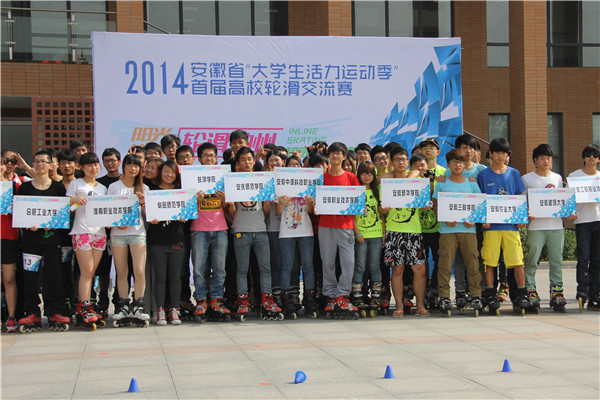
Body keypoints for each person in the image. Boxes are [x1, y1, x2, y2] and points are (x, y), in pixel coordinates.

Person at [17, 150, 70, 331]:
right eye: (37, 162)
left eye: (43, 162)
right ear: (33, 164)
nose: (40, 165)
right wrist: (28, 224)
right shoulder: (25, 188)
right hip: (30, 241)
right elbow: (21, 212)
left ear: (50, 165)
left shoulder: (58, 188)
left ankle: (57, 310)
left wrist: (52, 223)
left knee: (55, 274)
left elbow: (62, 213)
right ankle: (32, 311)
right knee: (30, 276)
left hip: (52, 240)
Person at [227, 147, 281, 320]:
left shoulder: (262, 180)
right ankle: (243, 300)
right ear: (238, 163)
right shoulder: (232, 181)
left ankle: (267, 300)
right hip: (241, 232)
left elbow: (265, 212)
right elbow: (232, 212)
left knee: (265, 268)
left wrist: (267, 202)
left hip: (261, 231)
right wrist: (230, 203)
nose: (247, 162)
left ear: (254, 161)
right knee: (242, 269)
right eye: (243, 159)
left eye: (249, 159)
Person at [476, 137, 528, 314]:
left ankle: (521, 293)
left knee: (517, 262)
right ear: (491, 154)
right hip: (491, 227)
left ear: (508, 155)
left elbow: (520, 198)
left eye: (504, 153)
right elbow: (480, 200)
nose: (500, 156)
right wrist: (483, 218)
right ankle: (491, 293)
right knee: (489, 262)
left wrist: (521, 217)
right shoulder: (483, 175)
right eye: (497, 152)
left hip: (511, 227)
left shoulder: (514, 174)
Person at [432, 149, 483, 316]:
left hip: (468, 229)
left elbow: (479, 206)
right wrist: (445, 219)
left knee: (472, 262)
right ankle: (444, 296)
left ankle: (476, 295)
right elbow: (436, 206)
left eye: (460, 162)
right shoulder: (442, 184)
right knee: (445, 264)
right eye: (454, 162)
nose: (457, 165)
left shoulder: (472, 184)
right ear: (448, 164)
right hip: (447, 230)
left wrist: (473, 219)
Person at [522, 144, 572, 313]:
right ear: (535, 161)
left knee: (556, 261)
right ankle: (531, 290)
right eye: (542, 158)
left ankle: (557, 292)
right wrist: (527, 213)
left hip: (555, 226)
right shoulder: (527, 179)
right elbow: (522, 202)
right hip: (536, 227)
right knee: (532, 260)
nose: (546, 161)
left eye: (549, 158)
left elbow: (562, 200)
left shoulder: (557, 178)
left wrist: (569, 210)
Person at [380, 147, 430, 317]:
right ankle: (399, 306)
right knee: (397, 270)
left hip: (414, 231)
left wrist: (425, 205)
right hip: (394, 231)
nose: (401, 162)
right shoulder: (387, 182)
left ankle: (420, 306)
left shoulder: (417, 180)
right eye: (397, 159)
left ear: (408, 162)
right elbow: (380, 210)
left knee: (420, 270)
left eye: (403, 159)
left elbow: (424, 200)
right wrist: (383, 209)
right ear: (392, 162)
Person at [318, 142, 360, 318]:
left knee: (348, 262)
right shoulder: (321, 178)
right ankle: (330, 295)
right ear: (328, 156)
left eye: (339, 153)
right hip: (326, 225)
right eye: (332, 153)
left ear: (344, 156)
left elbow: (358, 201)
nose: (335, 156)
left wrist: (360, 206)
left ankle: (342, 295)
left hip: (345, 226)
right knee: (327, 262)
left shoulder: (351, 177)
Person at [67, 152, 108, 329]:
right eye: (89, 165)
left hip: (99, 233)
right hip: (82, 231)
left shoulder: (103, 188)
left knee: (92, 272)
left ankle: (86, 306)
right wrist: (74, 200)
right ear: (81, 167)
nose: (94, 168)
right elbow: (65, 206)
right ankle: (84, 306)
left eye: (96, 164)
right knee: (86, 271)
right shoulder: (75, 184)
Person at [107, 154, 149, 326]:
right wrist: (117, 222)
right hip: (118, 234)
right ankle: (123, 305)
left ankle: (139, 305)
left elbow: (150, 214)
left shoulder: (144, 187)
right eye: (129, 165)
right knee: (122, 271)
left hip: (137, 233)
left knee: (139, 270)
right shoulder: (114, 187)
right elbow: (108, 210)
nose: (133, 168)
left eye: (136, 165)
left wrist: (143, 203)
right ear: (123, 166)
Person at [191, 142, 231, 321]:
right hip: (198, 229)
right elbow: (183, 207)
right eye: (205, 155)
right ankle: (201, 300)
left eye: (212, 155)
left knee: (220, 269)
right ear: (199, 159)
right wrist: (193, 199)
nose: (209, 158)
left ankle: (217, 299)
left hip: (220, 228)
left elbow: (229, 207)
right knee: (199, 269)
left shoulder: (223, 177)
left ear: (216, 158)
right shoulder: (191, 178)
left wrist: (225, 199)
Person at [276, 155, 318, 319]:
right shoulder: (281, 185)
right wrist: (281, 202)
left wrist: (308, 203)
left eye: (297, 164)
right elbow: (278, 213)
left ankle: (309, 299)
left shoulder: (308, 184)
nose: (294, 167)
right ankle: (287, 300)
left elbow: (311, 211)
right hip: (286, 232)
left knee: (308, 266)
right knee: (287, 266)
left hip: (306, 231)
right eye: (291, 164)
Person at [147, 160, 186, 325]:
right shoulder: (152, 191)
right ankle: (160, 310)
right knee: (160, 277)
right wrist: (151, 218)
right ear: (160, 172)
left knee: (175, 277)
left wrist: (185, 216)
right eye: (166, 171)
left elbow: (189, 212)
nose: (169, 175)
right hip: (157, 240)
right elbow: (147, 213)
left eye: (173, 172)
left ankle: (175, 309)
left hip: (177, 239)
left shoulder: (182, 192)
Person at [568, 144, 600, 311]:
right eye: (588, 154)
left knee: (597, 260)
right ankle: (582, 291)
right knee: (583, 258)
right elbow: (568, 201)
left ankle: (595, 294)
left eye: (595, 154)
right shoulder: (574, 177)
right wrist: (570, 211)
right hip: (582, 222)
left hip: (598, 220)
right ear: (583, 158)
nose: (591, 157)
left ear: (599, 159)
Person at [352, 161, 384, 318]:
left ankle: (376, 297)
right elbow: (350, 215)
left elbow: (382, 215)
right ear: (359, 174)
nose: (367, 176)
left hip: (376, 234)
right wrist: (357, 233)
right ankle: (358, 297)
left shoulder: (378, 191)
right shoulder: (355, 191)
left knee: (375, 266)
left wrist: (384, 234)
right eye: (364, 173)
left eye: (370, 173)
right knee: (360, 267)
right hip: (361, 236)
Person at [418, 139, 446, 309]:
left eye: (432, 148)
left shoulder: (445, 172)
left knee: (439, 260)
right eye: (425, 148)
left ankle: (435, 291)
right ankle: (424, 291)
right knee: (421, 263)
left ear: (438, 151)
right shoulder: (415, 172)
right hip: (418, 226)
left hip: (439, 226)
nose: (428, 150)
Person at [94, 148, 122, 317]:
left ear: (119, 161)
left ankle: (120, 300)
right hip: (102, 232)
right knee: (103, 269)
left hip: (121, 233)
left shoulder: (124, 181)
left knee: (121, 269)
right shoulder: (98, 183)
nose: (110, 163)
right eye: (107, 161)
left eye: (113, 160)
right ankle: (103, 298)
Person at [1, 150, 24, 332]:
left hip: (9, 236)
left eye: (7, 162)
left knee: (9, 279)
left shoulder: (18, 184)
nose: (5, 165)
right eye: (3, 162)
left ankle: (11, 317)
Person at [264, 149, 285, 309]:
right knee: (276, 263)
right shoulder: (264, 180)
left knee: (288, 264)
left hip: (291, 228)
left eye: (276, 160)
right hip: (272, 227)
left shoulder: (289, 178)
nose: (274, 163)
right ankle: (276, 293)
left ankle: (288, 293)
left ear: (283, 162)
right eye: (270, 160)